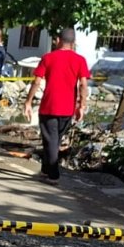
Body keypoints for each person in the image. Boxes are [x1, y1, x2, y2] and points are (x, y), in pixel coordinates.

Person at [24, 27, 90, 185]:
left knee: (50, 140)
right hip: (68, 108)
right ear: (73, 43)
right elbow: (83, 84)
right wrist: (82, 105)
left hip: (49, 106)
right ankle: (45, 171)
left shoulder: (48, 58)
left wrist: (28, 101)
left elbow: (37, 81)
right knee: (54, 140)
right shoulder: (80, 60)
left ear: (58, 40)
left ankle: (53, 175)